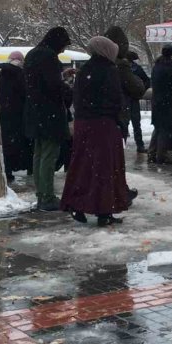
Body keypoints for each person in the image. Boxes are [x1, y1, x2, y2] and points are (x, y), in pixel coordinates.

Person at [60, 36, 129, 227]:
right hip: (104, 125)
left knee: (83, 165)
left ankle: (77, 202)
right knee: (106, 168)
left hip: (85, 124)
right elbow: (115, 100)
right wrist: (119, 121)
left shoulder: (86, 70)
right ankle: (104, 210)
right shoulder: (109, 70)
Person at [25, 27, 73, 211]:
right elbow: (52, 86)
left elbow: (40, 81)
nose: (63, 50)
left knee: (39, 153)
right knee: (49, 155)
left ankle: (41, 194)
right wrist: (68, 90)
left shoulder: (33, 54)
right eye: (63, 46)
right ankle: (47, 196)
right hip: (49, 113)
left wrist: (61, 76)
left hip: (35, 111)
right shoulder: (48, 56)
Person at [0, 51, 33, 183]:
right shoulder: (23, 74)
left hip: (4, 113)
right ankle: (28, 167)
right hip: (21, 114)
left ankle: (9, 170)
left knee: (7, 143)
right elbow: (27, 93)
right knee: (25, 142)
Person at [149, 45, 172, 164]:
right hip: (169, 102)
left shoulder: (157, 66)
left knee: (158, 128)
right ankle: (161, 155)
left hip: (157, 101)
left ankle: (152, 153)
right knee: (165, 129)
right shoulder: (171, 67)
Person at [127, 51, 151, 153]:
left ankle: (119, 146)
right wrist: (140, 91)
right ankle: (140, 145)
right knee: (136, 124)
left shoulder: (118, 68)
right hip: (134, 98)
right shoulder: (137, 68)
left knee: (123, 124)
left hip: (125, 99)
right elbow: (147, 80)